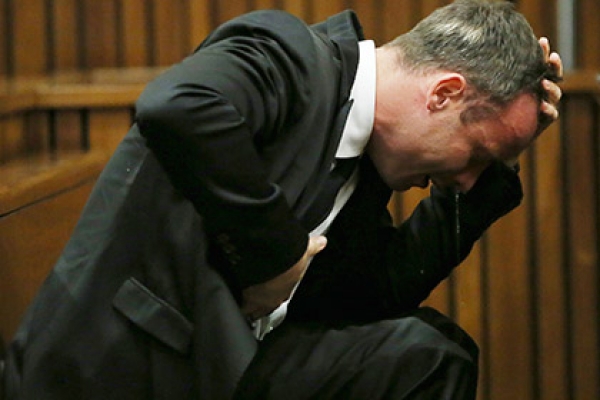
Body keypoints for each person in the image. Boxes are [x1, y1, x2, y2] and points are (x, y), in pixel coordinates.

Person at [3, 0, 562, 399]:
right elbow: (177, 103)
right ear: (443, 93)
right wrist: (275, 255)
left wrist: (497, 169)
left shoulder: (366, 161)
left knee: (433, 353)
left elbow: (380, 293)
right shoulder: (289, 54)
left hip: (228, 363)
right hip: (126, 367)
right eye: (476, 155)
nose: (464, 180)